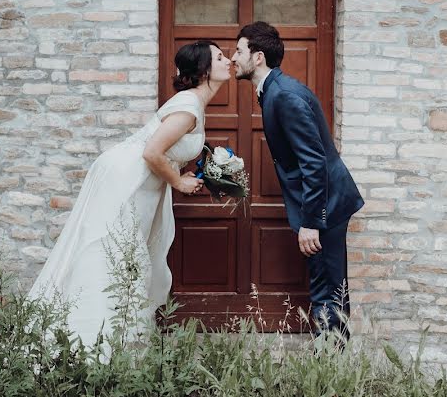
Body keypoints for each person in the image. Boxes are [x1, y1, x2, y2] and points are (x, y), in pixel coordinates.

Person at [28, 40, 232, 350]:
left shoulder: (193, 104)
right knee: (113, 255)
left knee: (124, 256)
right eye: (220, 57)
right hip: (129, 180)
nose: (227, 60)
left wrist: (181, 173)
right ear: (204, 70)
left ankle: (113, 341)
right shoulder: (189, 107)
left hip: (140, 180)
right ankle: (90, 342)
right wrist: (178, 182)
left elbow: (164, 151)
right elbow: (152, 152)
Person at [231, 22, 364, 342]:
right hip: (324, 202)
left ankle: (332, 374)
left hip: (327, 205)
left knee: (328, 289)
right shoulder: (274, 91)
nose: (232, 57)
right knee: (328, 286)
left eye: (238, 50)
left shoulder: (284, 96)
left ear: (258, 57)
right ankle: (332, 371)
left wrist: (311, 222)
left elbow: (314, 161)